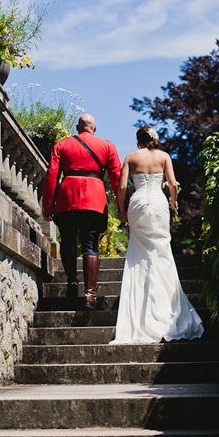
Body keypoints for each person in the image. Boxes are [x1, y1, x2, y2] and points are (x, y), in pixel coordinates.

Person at [110, 126, 205, 344]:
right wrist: (173, 201)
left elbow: (123, 185)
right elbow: (172, 183)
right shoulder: (164, 156)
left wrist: (121, 210)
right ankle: (166, 305)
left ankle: (140, 309)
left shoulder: (131, 157)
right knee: (161, 252)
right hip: (159, 204)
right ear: (154, 139)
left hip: (138, 203)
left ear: (138, 141)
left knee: (139, 255)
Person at [41, 113, 122, 310]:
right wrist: (122, 208)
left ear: (78, 128)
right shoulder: (107, 146)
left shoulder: (62, 145)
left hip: (67, 198)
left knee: (68, 240)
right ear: (94, 128)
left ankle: (72, 281)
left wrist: (48, 205)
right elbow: (117, 178)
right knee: (90, 244)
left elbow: (52, 176)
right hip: (94, 199)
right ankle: (90, 295)